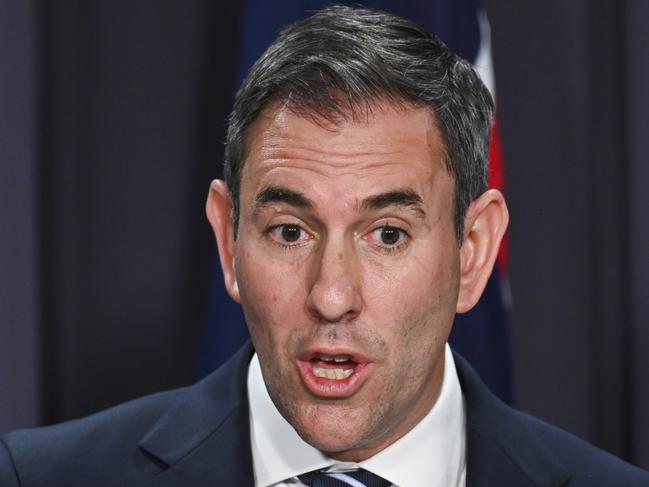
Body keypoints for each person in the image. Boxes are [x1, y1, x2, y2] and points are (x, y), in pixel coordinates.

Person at [1, 5, 647, 487]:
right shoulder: (42, 477)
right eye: (289, 231)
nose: (331, 295)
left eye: (386, 235)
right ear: (228, 239)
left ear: (472, 251)